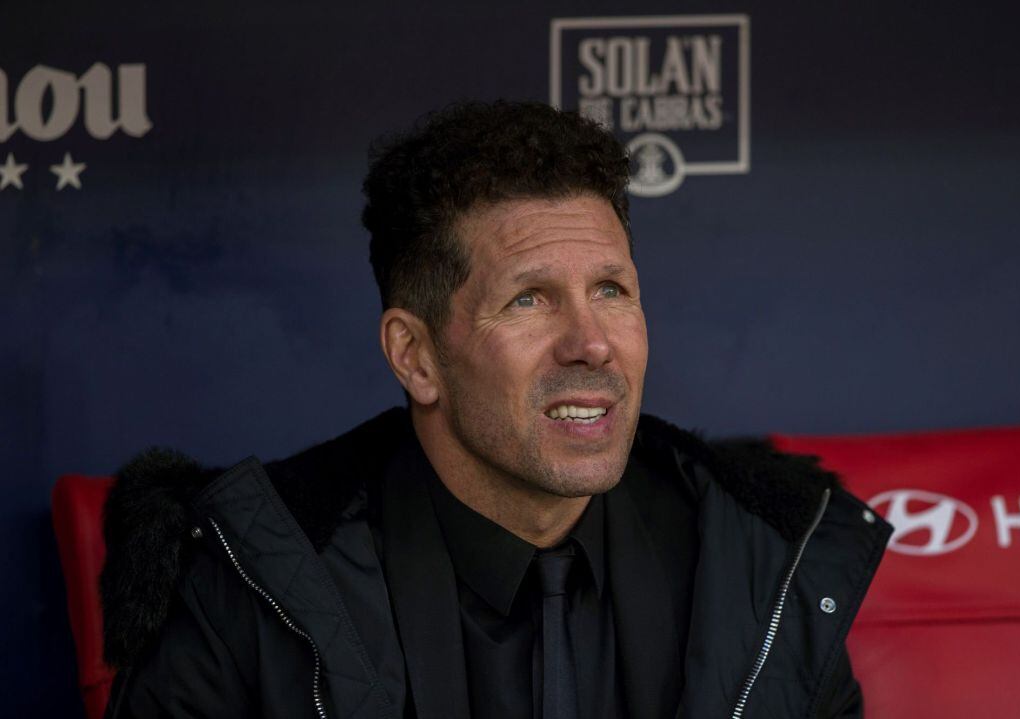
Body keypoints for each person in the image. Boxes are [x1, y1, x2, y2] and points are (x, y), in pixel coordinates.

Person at [100, 101, 892, 718]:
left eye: (611, 290)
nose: (591, 343)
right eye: (529, 299)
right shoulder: (250, 581)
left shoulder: (759, 565)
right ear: (416, 356)